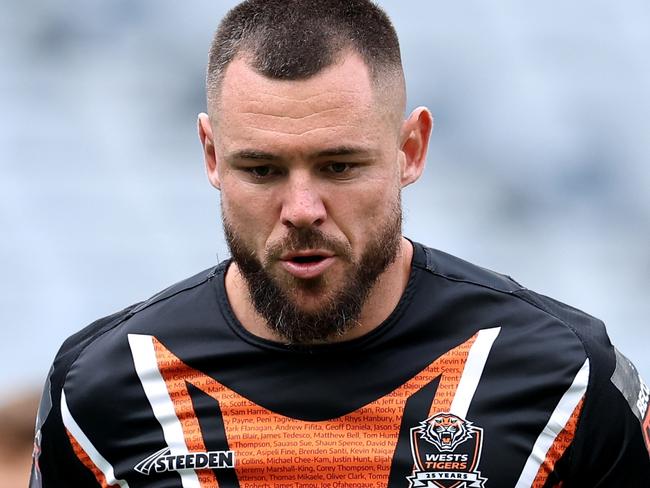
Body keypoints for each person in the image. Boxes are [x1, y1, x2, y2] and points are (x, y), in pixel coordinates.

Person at [30, 0, 650, 486]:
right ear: (212, 155)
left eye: (340, 166)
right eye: (263, 170)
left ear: (411, 150)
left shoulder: (567, 377)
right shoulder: (101, 389)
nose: (302, 210)